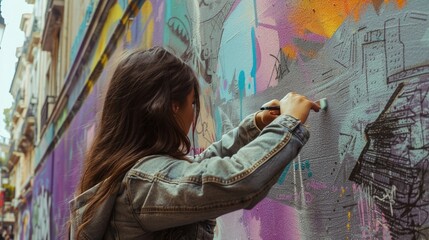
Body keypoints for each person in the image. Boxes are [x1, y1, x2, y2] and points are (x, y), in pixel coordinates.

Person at [69, 46, 320, 239]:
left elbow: (196, 172)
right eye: (192, 103)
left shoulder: (133, 176)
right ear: (172, 106)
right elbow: (237, 181)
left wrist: (254, 126)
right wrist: (288, 123)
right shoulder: (144, 184)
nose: (193, 113)